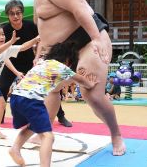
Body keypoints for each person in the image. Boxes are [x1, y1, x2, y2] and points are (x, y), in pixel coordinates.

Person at [10, 0, 126, 156]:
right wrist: (40, 55)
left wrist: (97, 39)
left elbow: (80, 9)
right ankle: (42, 130)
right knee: (50, 89)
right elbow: (45, 33)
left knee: (92, 93)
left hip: (88, 40)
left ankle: (116, 135)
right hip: (62, 51)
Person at [9, 38, 98, 166]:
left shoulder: (42, 63)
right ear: (68, 60)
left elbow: (60, 83)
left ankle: (15, 148)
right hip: (31, 100)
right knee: (48, 137)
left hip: (16, 98)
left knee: (33, 126)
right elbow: (82, 81)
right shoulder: (62, 67)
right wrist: (91, 84)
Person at [0, 0, 72, 127]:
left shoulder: (30, 26)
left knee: (48, 87)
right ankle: (0, 118)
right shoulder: (4, 30)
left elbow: (40, 40)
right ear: (8, 15)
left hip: (29, 61)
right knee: (3, 87)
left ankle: (60, 116)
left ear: (22, 13)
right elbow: (2, 51)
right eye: (12, 13)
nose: (15, 16)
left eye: (18, 13)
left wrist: (37, 57)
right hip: (10, 63)